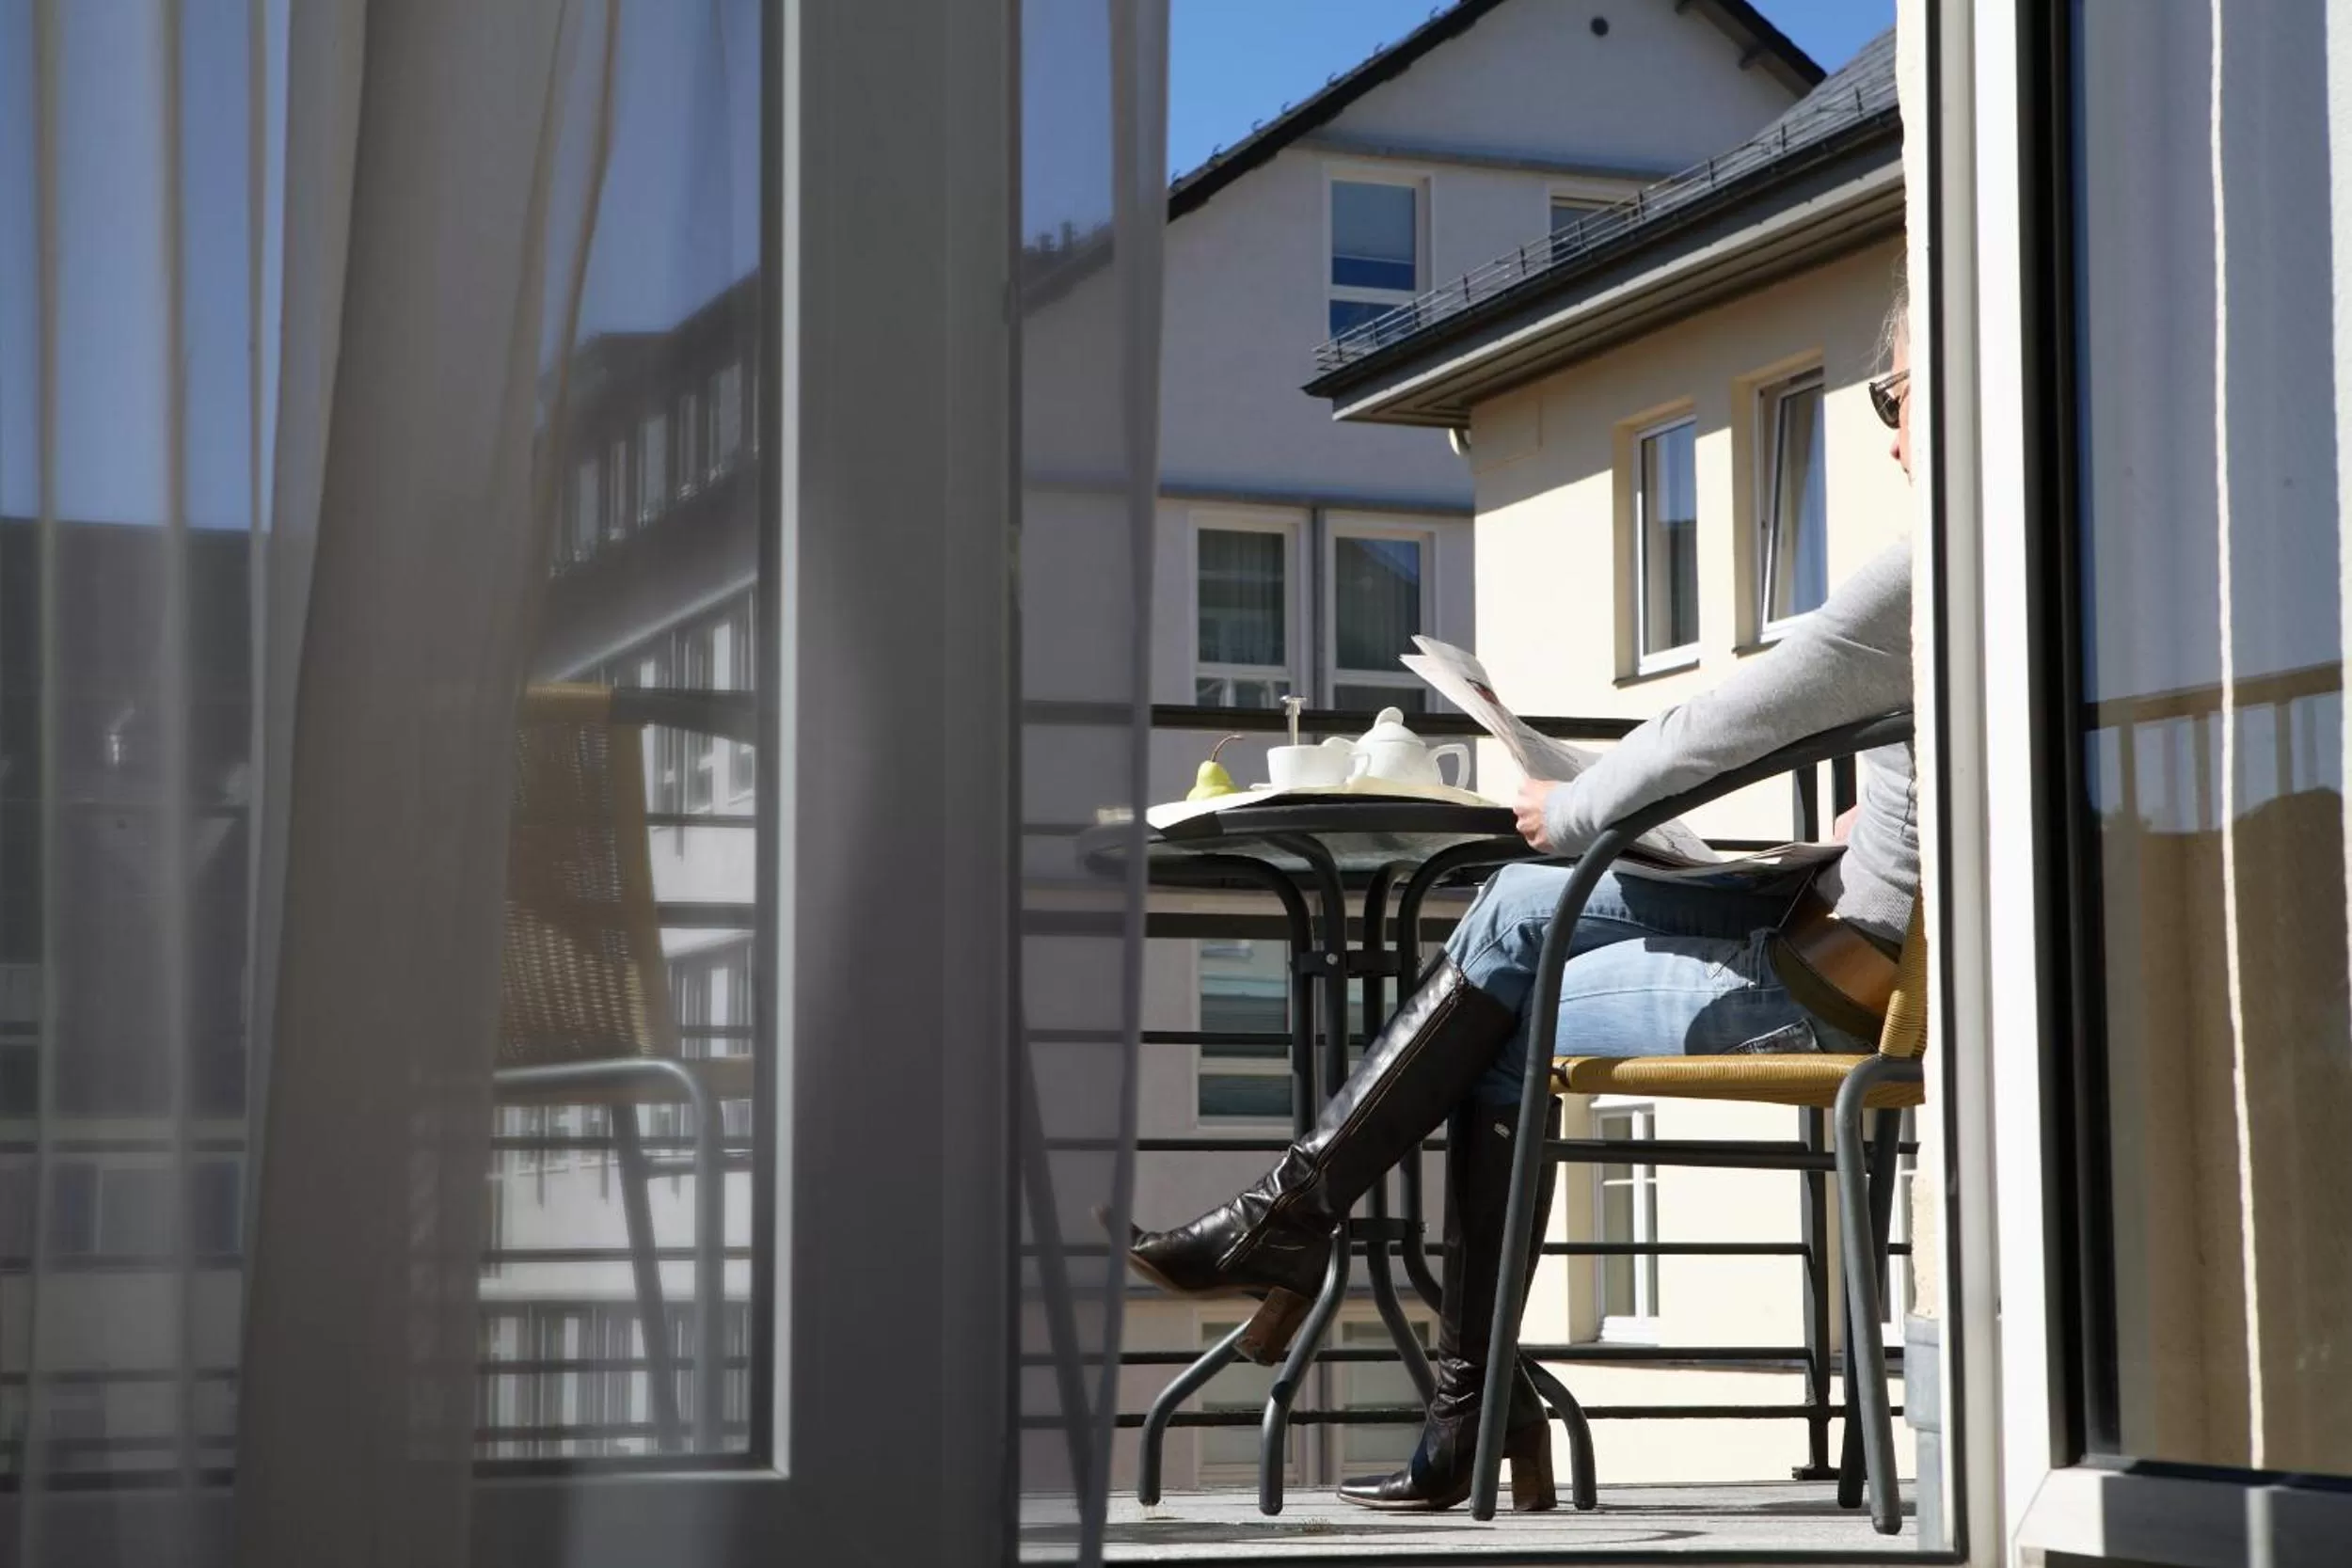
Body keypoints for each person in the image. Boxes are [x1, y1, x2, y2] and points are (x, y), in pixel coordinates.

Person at [1125, 289, 1919, 1513]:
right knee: (1507, 917)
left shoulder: (1927, 563)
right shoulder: (2023, 556)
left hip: (1830, 980)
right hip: (1839, 923)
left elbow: (1734, 716)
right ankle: (1374, 1307)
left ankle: (1332, 1262)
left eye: (1894, 393)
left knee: (1505, 964)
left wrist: (1583, 800)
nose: (1888, 426)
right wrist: (1863, 826)